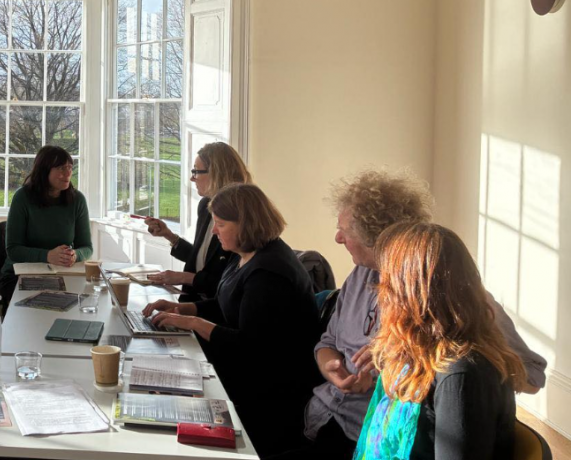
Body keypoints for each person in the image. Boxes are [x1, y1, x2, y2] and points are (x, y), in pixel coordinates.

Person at [298, 169, 546, 460]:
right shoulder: (369, 284)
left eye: (389, 286)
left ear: (416, 293)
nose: (382, 296)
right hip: (341, 424)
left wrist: (396, 360)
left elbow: (524, 376)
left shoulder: (460, 371)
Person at [143, 184, 320, 456]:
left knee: (166, 386)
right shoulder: (246, 254)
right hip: (247, 371)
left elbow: (250, 346)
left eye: (221, 224)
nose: (214, 231)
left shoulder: (269, 273)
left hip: (269, 391)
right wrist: (182, 309)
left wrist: (193, 323)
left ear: (246, 225)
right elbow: (227, 303)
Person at [352, 222, 524, 460]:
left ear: (409, 295)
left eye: (387, 282)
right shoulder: (419, 352)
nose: (381, 291)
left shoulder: (461, 375)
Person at [142, 142, 250, 299]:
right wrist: (169, 236)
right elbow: (201, 261)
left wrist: (184, 277)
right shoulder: (205, 205)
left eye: (196, 172)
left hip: (218, 307)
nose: (192, 178)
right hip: (193, 302)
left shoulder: (240, 217)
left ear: (217, 174)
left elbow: (230, 284)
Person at [0, 145, 92, 307]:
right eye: (61, 168)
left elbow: (87, 247)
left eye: (70, 167)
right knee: (45, 304)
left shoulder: (77, 200)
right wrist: (47, 256)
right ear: (44, 170)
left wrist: (75, 255)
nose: (68, 173)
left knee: (81, 302)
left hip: (60, 274)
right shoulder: (22, 197)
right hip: (18, 274)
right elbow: (13, 250)